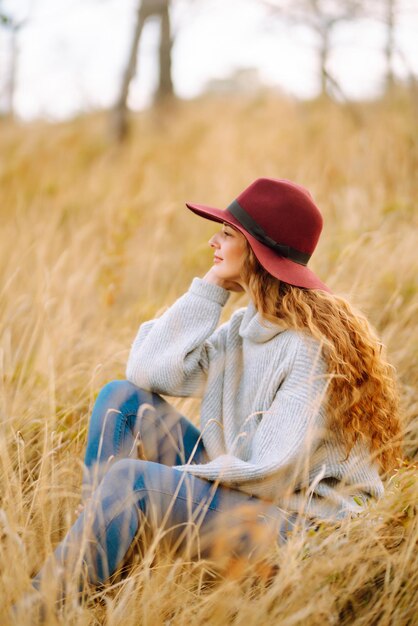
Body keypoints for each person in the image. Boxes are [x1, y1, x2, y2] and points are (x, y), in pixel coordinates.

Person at [17, 177, 402, 613]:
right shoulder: (246, 328)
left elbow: (272, 473)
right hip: (255, 491)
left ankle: (37, 610)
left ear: (256, 252)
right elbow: (146, 370)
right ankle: (100, 563)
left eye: (226, 234)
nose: (212, 241)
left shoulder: (306, 349)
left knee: (130, 482)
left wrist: (161, 483)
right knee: (121, 400)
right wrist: (210, 287)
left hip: (304, 526)